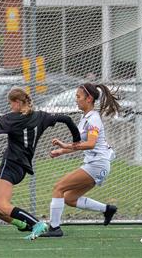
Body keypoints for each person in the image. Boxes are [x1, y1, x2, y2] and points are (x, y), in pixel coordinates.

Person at [0, 87, 81, 240]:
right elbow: (67, 119)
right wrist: (76, 140)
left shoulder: (12, 119)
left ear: (19, 102)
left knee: (3, 206)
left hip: (10, 165)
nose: (10, 107)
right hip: (22, 167)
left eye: (11, 103)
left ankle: (37, 224)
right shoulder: (42, 116)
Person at [41, 83, 120, 238]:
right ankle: (107, 209)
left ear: (89, 99)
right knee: (69, 198)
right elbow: (81, 144)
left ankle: (54, 228)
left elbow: (90, 143)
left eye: (78, 97)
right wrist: (62, 151)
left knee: (58, 188)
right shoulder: (85, 118)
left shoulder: (93, 119)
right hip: (97, 164)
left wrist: (65, 146)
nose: (76, 100)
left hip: (97, 165)